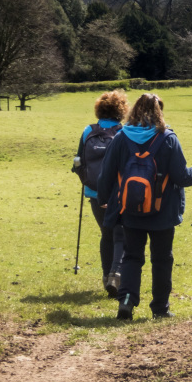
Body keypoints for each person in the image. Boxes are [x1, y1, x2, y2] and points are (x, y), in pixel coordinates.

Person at [97, 93, 192, 320]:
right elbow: (182, 176)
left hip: (130, 210)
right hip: (163, 212)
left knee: (131, 257)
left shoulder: (121, 137)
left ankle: (127, 301)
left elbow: (106, 174)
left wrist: (104, 200)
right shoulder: (168, 138)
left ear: (134, 110)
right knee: (162, 259)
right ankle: (160, 308)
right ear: (159, 111)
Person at [75, 90, 129, 297]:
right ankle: (116, 275)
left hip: (94, 191)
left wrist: (85, 181)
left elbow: (78, 161)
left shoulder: (88, 130)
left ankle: (107, 277)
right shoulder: (123, 132)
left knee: (106, 234)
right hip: (117, 193)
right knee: (120, 234)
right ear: (121, 110)